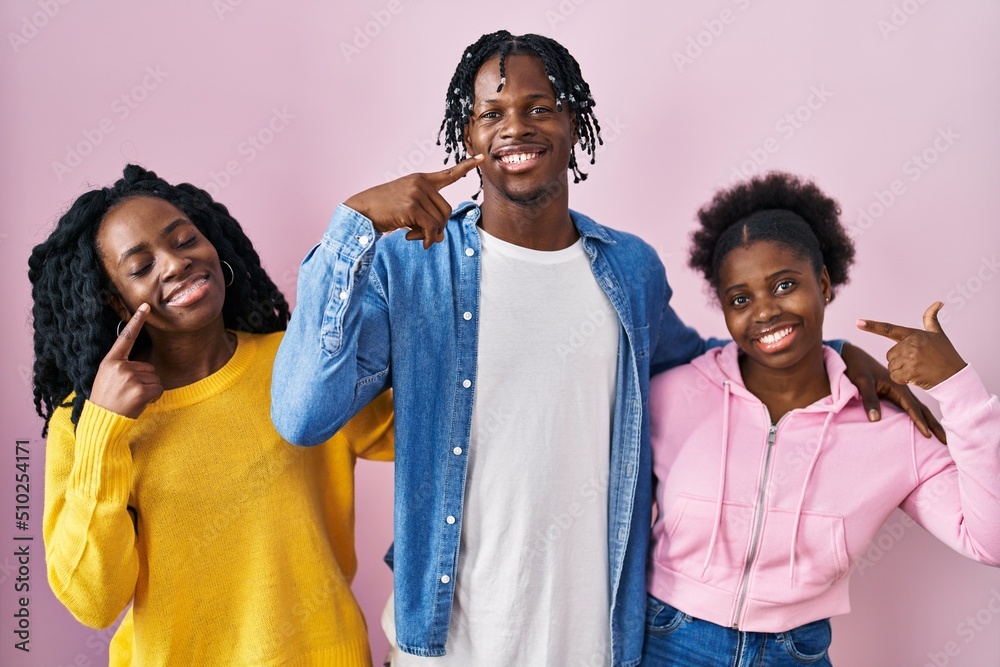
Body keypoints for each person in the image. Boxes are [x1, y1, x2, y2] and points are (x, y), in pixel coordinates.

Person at [271, 31, 939, 667]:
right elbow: (303, 412)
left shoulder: (628, 271)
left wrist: (837, 353)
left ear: (574, 124)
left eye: (540, 107)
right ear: (466, 132)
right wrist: (351, 229)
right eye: (492, 112)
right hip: (448, 644)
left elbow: (715, 363)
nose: (516, 126)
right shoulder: (410, 266)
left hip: (595, 641)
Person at [31, 164, 394, 666]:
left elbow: (440, 432)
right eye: (140, 267)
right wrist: (103, 431)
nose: (175, 264)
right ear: (115, 300)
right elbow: (92, 602)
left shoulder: (300, 363)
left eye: (184, 240)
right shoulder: (88, 420)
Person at [642, 172, 1000, 666]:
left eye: (785, 285)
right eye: (740, 299)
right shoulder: (670, 394)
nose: (765, 312)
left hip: (794, 652)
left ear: (825, 283)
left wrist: (956, 386)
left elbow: (990, 540)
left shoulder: (890, 430)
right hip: (667, 641)